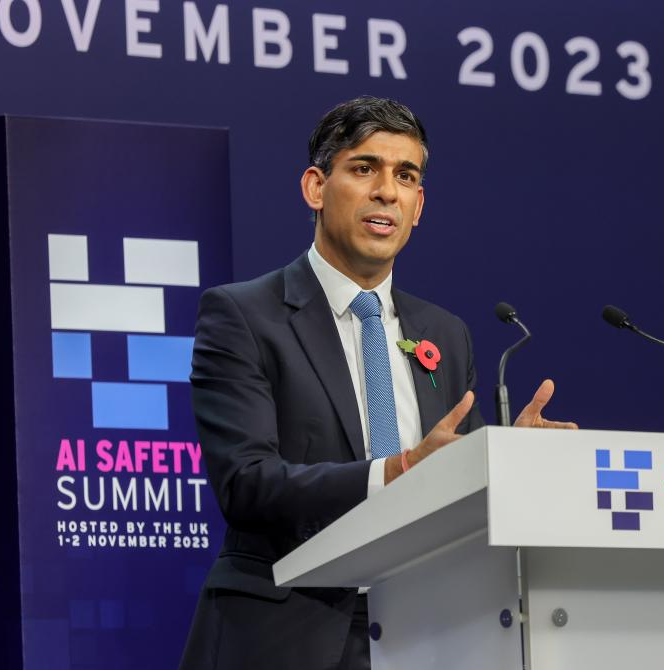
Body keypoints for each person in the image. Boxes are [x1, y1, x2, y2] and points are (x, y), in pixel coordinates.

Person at [179, 96, 576, 670]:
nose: (387, 191)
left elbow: (459, 494)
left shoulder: (445, 333)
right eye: (365, 168)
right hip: (287, 634)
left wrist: (507, 461)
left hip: (430, 635)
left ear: (418, 207)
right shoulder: (244, 316)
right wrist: (396, 472)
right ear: (316, 188)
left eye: (405, 176)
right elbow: (247, 484)